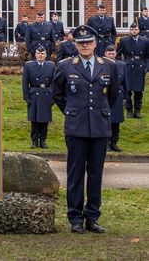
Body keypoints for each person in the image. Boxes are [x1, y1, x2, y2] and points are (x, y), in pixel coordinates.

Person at [51, 25, 119, 234]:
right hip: (76, 126)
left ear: (95, 44)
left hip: (99, 127)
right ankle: (75, 218)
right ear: (76, 45)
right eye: (81, 43)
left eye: (88, 42)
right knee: (75, 173)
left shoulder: (108, 66)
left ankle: (92, 216)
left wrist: (98, 112)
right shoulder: (65, 66)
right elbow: (57, 94)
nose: (85, 46)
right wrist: (73, 111)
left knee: (96, 174)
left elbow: (113, 94)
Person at [22, 45, 55, 149]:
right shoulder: (29, 66)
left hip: (46, 93)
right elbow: (25, 83)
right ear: (35, 55)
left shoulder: (52, 66)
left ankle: (43, 141)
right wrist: (26, 96)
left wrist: (53, 97)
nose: (40, 55)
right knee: (34, 120)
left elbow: (55, 82)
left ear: (46, 55)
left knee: (45, 120)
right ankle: (34, 141)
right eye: (38, 53)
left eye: (42, 53)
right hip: (34, 94)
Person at [116, 22, 148, 118]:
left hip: (140, 67)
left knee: (139, 91)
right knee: (127, 90)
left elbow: (148, 56)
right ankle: (129, 109)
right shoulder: (124, 40)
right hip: (128, 67)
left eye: (136, 29)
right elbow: (117, 54)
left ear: (139, 30)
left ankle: (137, 110)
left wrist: (146, 67)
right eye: (132, 29)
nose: (134, 31)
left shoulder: (145, 41)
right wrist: (122, 64)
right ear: (129, 30)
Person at [103, 46, 126, 152]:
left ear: (116, 54)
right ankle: (106, 142)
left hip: (118, 96)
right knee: (106, 121)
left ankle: (114, 142)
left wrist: (126, 98)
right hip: (105, 95)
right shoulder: (101, 64)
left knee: (116, 121)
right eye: (109, 53)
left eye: (113, 54)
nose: (111, 55)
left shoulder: (121, 65)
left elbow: (125, 82)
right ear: (105, 54)